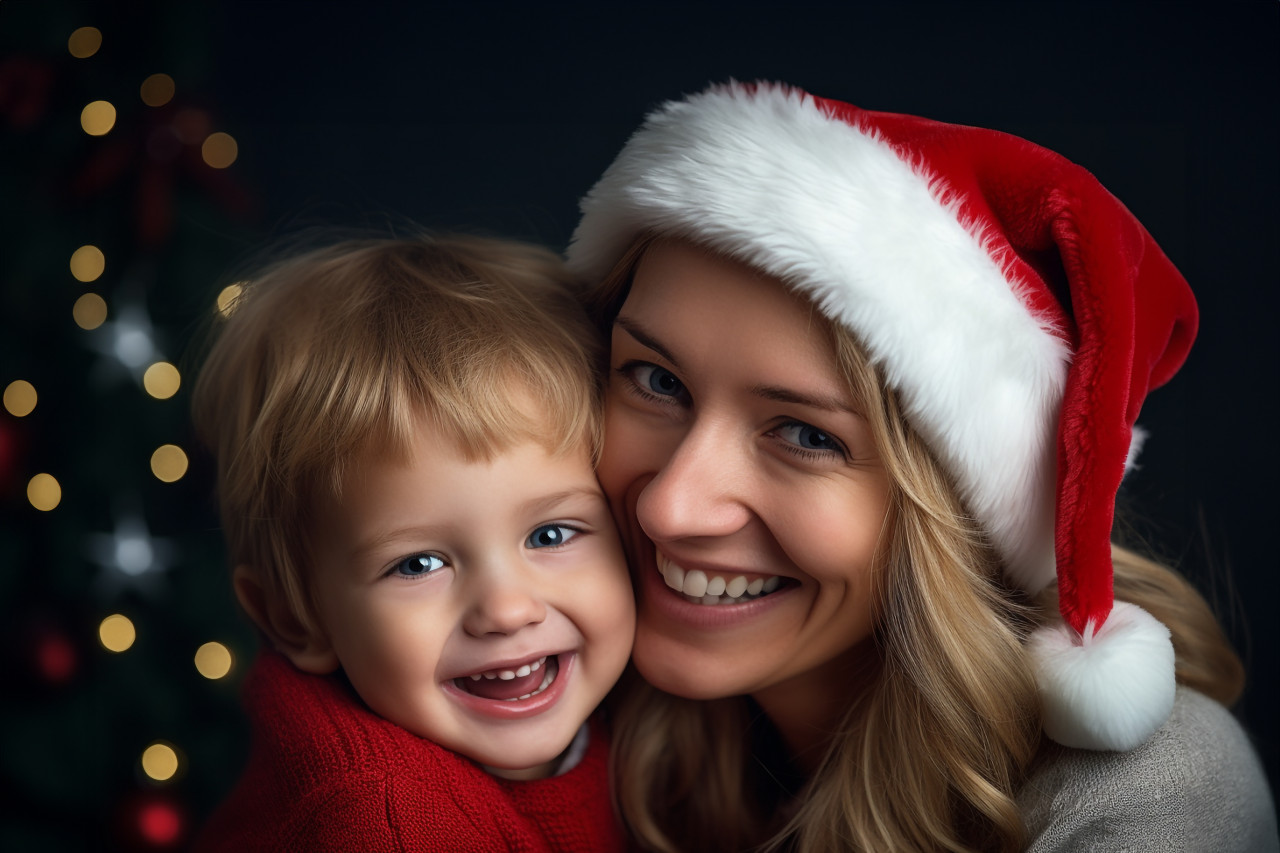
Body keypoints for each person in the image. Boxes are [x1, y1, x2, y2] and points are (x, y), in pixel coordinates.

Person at [567, 82, 1279, 852]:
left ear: (962, 511)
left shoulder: (1150, 791)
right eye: (657, 380)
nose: (670, 506)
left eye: (805, 435)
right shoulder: (545, 695)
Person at [190, 233, 634, 852]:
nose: (507, 610)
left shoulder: (648, 710)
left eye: (550, 534)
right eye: (418, 564)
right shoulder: (389, 822)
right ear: (293, 617)